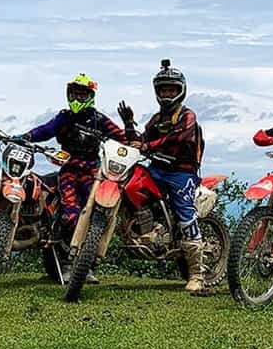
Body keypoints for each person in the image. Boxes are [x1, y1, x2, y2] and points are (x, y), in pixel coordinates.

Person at [20, 74, 129, 282]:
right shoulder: (65, 117)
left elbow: (122, 138)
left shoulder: (99, 120)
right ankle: (67, 263)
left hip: (93, 173)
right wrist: (26, 137)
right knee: (70, 216)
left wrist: (131, 128)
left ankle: (86, 265)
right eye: (75, 93)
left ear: (90, 95)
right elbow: (46, 130)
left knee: (98, 215)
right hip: (69, 171)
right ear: (69, 94)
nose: (78, 97)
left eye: (82, 93)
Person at [119, 59, 210, 295]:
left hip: (182, 171)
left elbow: (178, 138)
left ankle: (197, 275)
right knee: (130, 185)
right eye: (163, 90)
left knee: (185, 214)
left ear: (180, 91)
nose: (167, 94)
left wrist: (147, 145)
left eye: (171, 89)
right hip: (158, 168)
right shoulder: (157, 119)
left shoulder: (187, 116)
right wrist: (129, 125)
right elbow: (139, 139)